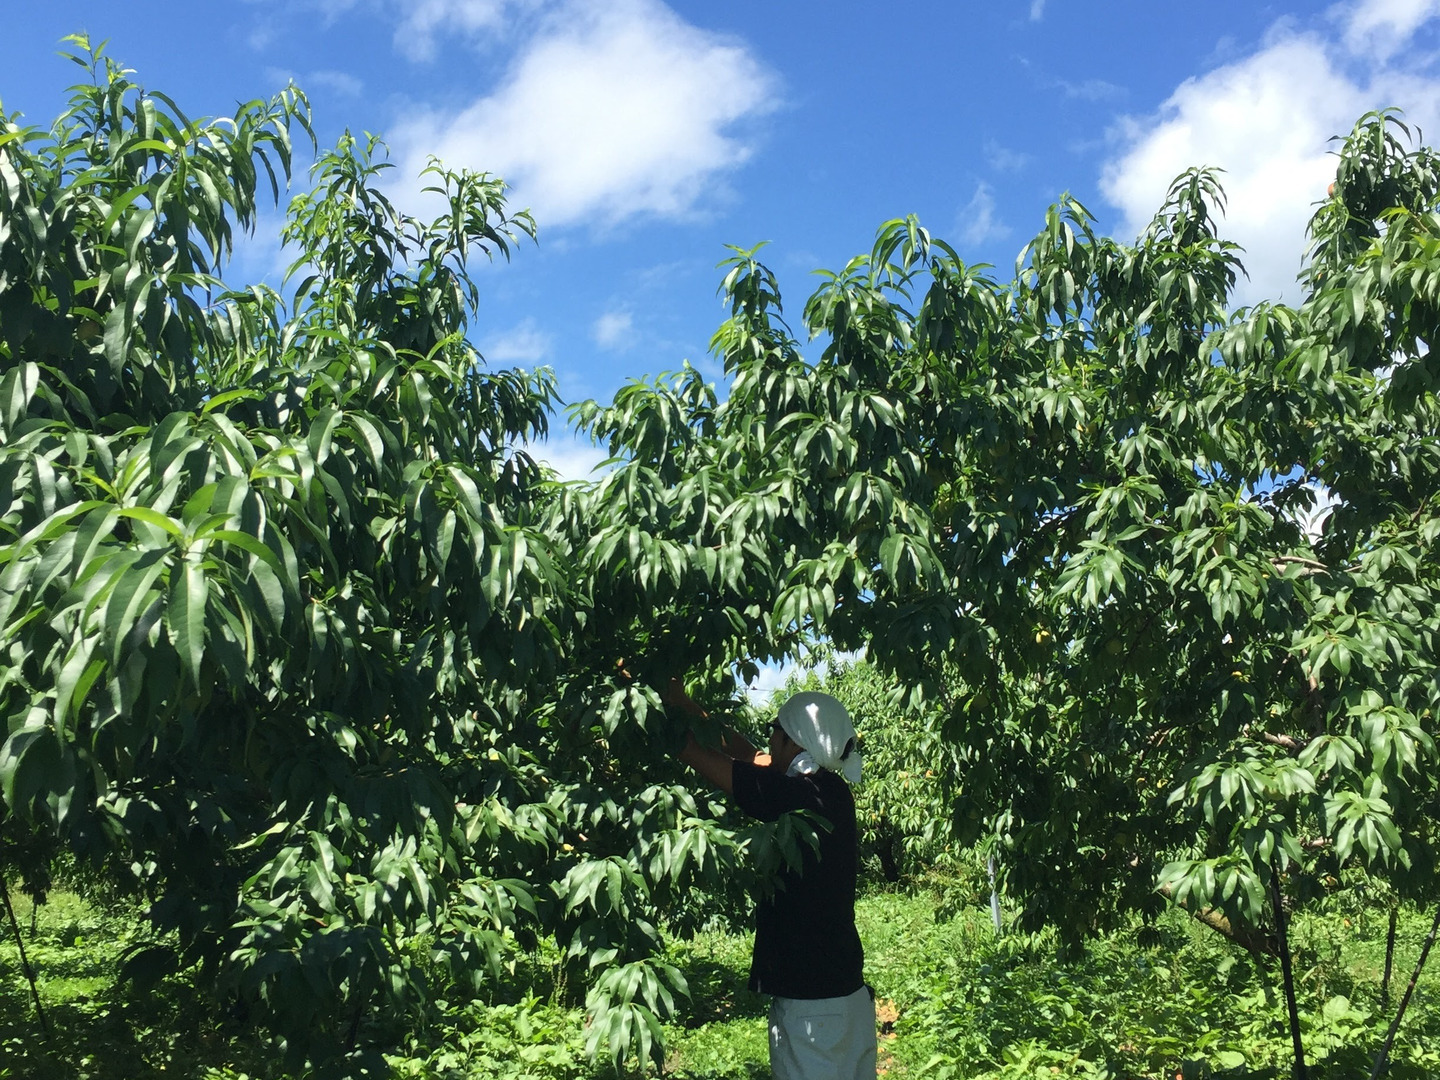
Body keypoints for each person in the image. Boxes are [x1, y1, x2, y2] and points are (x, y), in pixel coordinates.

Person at [665, 683, 877, 1080]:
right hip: (843, 1000)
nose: (768, 740)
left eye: (774, 730)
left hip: (814, 1010)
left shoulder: (796, 797)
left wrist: (646, 709)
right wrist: (681, 699)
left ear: (793, 740)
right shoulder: (826, 790)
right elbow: (750, 756)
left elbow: (696, 753)